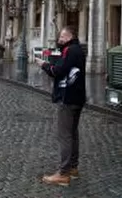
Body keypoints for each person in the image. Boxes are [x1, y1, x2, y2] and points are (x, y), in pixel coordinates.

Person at [34, 26, 86, 186]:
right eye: (59, 37)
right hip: (77, 97)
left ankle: (63, 173)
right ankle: (73, 168)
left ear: (70, 36)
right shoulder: (79, 50)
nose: (59, 40)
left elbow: (58, 71)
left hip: (67, 97)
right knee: (73, 133)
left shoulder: (69, 51)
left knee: (65, 135)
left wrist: (43, 65)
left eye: (62, 37)